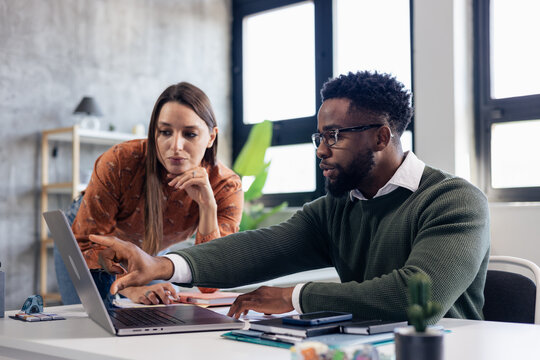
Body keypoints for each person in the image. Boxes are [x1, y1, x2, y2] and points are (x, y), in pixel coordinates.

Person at [88, 71, 490, 323]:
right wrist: (161, 266)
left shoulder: (453, 201)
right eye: (320, 137)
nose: (321, 150)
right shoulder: (336, 208)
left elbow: (417, 295)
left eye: (335, 136)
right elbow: (258, 249)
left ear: (381, 137)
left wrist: (293, 296)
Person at [68, 82, 243, 305]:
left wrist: (208, 207)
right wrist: (131, 289)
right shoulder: (120, 161)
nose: (176, 146)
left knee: (149, 318)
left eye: (190, 134)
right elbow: (87, 244)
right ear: (154, 133)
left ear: (210, 137)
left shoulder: (225, 187)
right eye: (165, 132)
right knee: (88, 322)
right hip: (87, 241)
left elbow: (209, 284)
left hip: (150, 243)